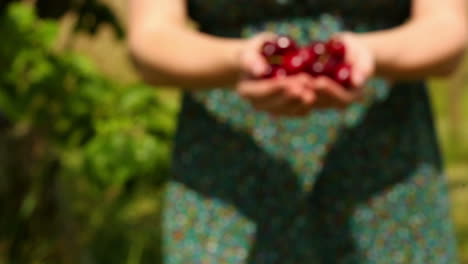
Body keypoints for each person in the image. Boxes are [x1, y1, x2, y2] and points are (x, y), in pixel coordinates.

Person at [128, 0, 467, 262]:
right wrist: (236, 60)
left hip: (386, 166)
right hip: (228, 168)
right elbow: (151, 37)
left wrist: (370, 55)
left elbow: (445, 26)